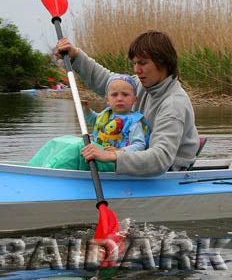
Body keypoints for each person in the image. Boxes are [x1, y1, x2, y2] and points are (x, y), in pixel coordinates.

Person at [56, 30, 200, 175]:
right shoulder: (142, 85)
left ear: (163, 63)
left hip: (168, 175)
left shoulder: (174, 104)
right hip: (139, 162)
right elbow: (108, 83)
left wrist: (113, 155)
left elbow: (160, 159)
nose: (136, 70)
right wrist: (75, 56)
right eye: (135, 63)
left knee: (76, 152)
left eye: (142, 63)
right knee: (70, 145)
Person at [83, 74, 150, 153]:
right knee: (77, 144)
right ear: (107, 100)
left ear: (135, 100)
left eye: (125, 94)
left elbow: (140, 145)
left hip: (117, 161)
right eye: (114, 95)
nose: (119, 98)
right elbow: (95, 121)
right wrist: (85, 109)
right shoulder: (106, 114)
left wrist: (120, 151)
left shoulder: (134, 122)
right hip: (99, 156)